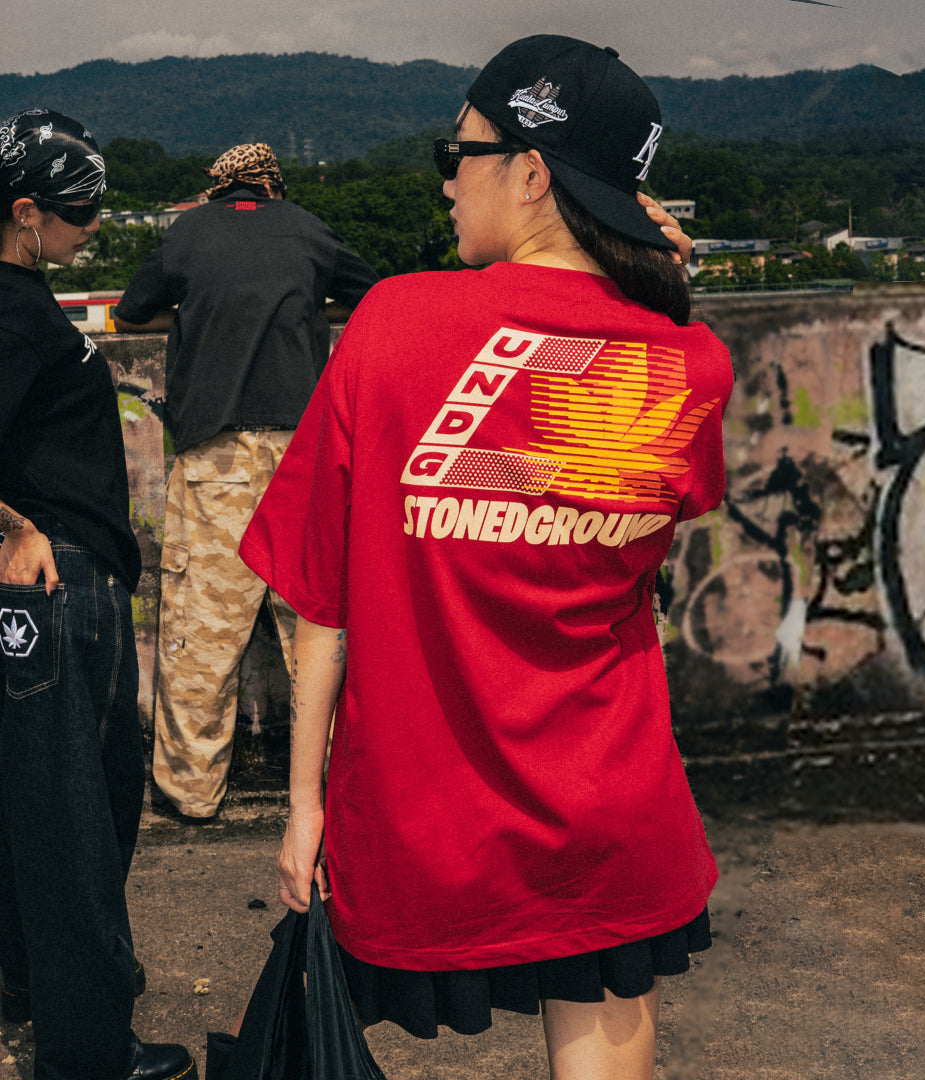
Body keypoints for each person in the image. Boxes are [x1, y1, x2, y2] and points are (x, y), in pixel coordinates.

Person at [239, 35, 733, 1080]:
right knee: (603, 1009)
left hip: (428, 820)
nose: (447, 178)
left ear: (532, 170)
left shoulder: (393, 325)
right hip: (611, 807)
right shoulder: (689, 362)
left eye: (457, 151)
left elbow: (323, 599)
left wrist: (303, 809)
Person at [0, 108, 195, 1080]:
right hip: (54, 582)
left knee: (46, 812)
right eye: (80, 212)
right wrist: (15, 527)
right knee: (79, 819)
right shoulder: (6, 305)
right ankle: (85, 1052)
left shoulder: (21, 296)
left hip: (69, 582)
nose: (93, 226)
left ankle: (40, 994)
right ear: (25, 210)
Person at [114, 144, 379, 821]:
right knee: (320, 624)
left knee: (204, 633)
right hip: (305, 453)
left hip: (215, 457)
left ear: (219, 186)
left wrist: (196, 313)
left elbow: (130, 311)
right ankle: (339, 790)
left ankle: (190, 794)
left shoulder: (189, 233)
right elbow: (373, 297)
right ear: (273, 184)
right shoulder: (306, 228)